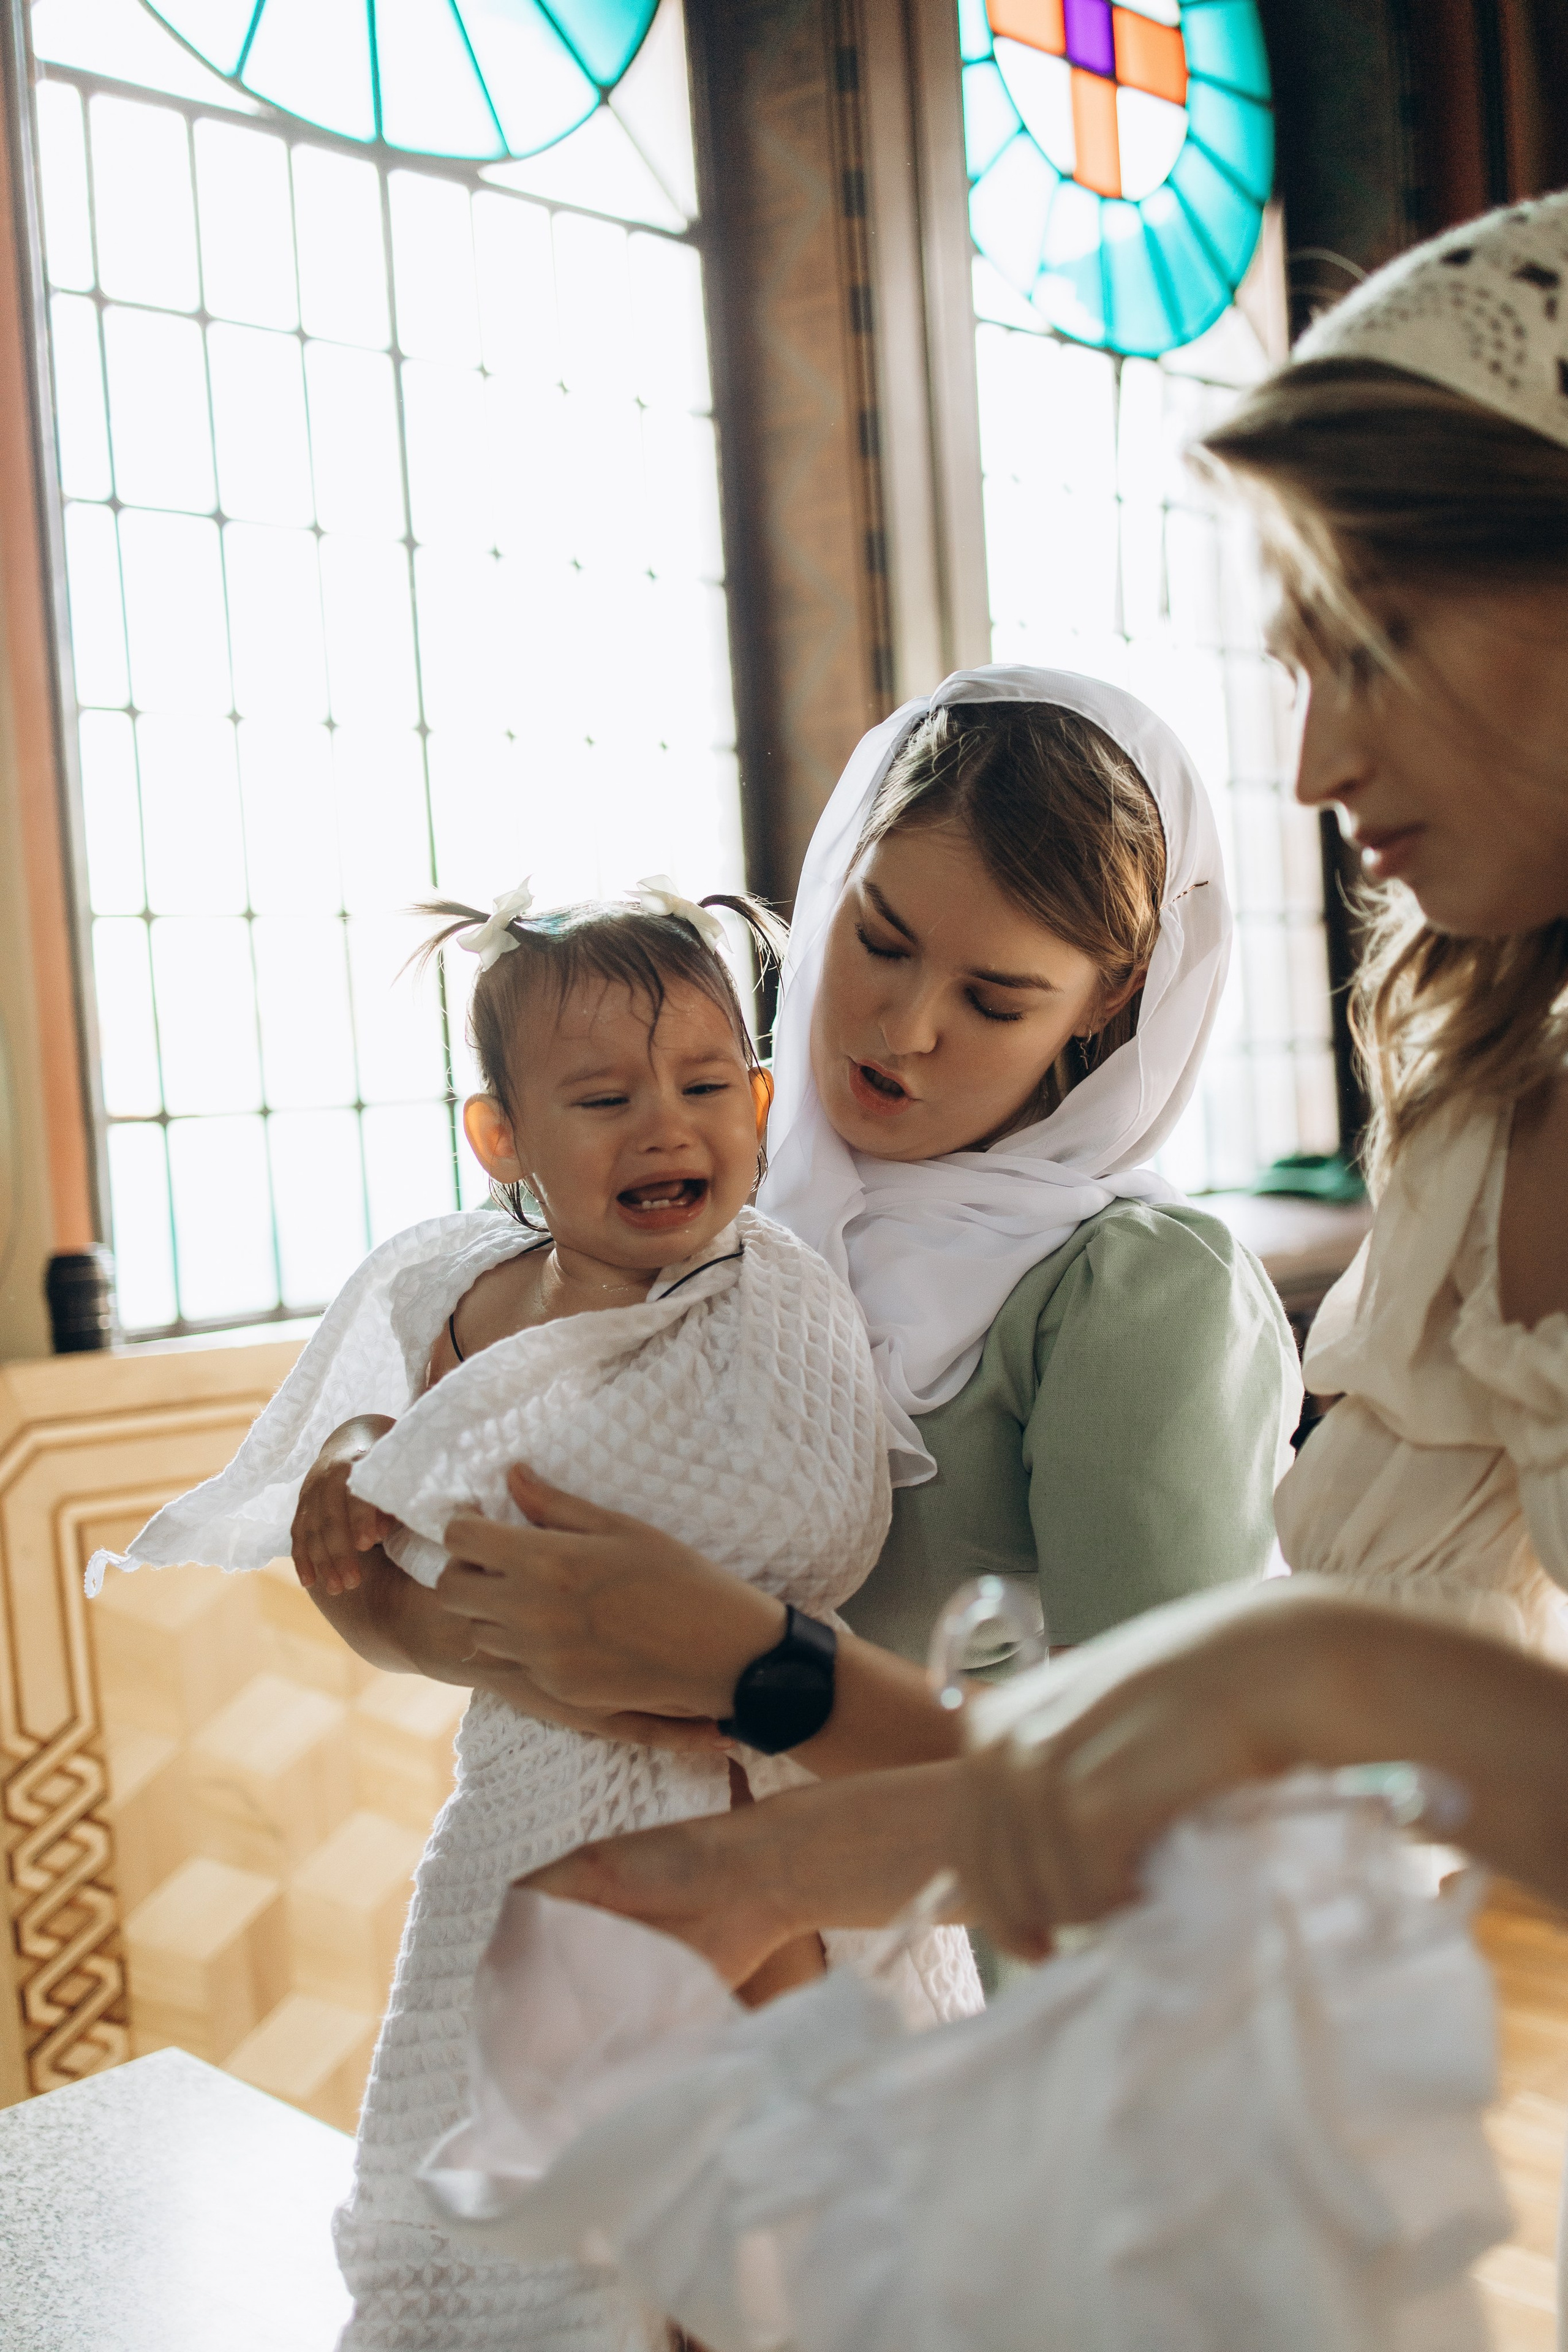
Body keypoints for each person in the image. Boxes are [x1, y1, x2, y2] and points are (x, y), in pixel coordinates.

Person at [516, 186, 1568, 2332]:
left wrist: (786, 1696)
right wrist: (745, 1871)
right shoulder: (1476, 1115)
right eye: (1297, 665)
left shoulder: (1131, 1292)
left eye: (1370, 645)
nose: (1312, 763)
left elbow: (1258, 1781)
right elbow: (1204, 1794)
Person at [90, 878, 967, 2352]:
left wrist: (545, 1575)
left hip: (738, 1798)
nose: (664, 1127)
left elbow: (819, 1520)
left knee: (763, 2218)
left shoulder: (773, 1294)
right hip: (530, 1816)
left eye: (703, 1086)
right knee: (556, 2227)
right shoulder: (455, 1300)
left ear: (757, 1103)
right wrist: (365, 1544)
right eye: (603, 1097)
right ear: (502, 1139)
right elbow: (398, 1598)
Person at [319, 671, 1298, 1780]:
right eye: (880, 940)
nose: (905, 1027)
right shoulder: (689, 1203)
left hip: (983, 1932)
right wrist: (400, 1560)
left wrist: (749, 1667)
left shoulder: (1132, 1292)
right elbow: (422, 1587)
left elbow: (1158, 1780)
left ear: (1110, 1001)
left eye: (994, 1001)